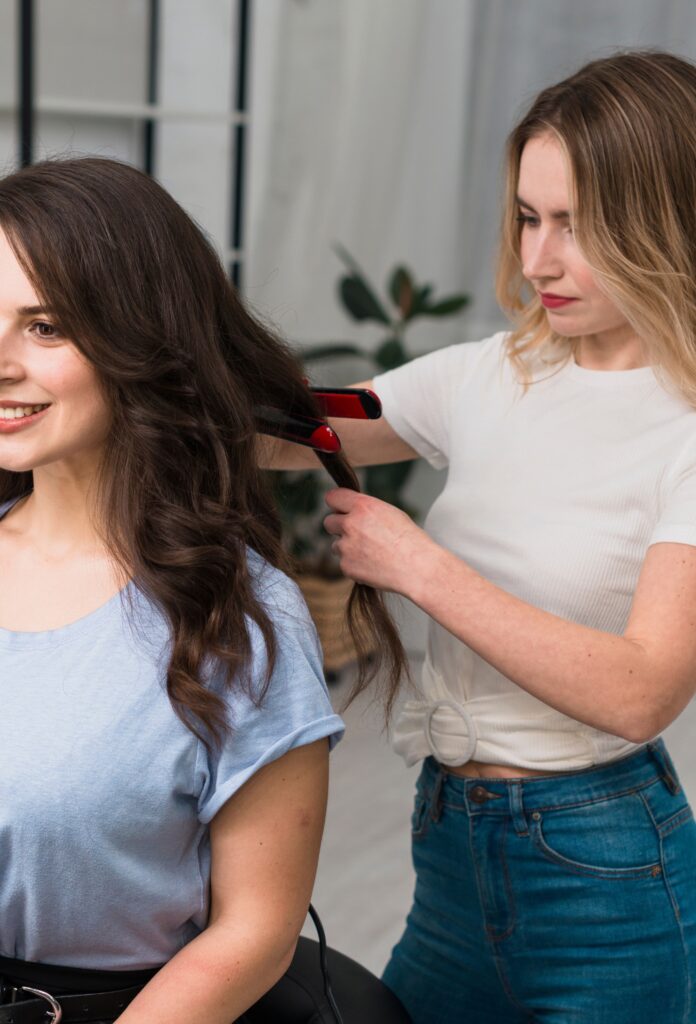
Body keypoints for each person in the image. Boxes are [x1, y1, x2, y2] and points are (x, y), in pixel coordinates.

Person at [265, 49, 696, 1022]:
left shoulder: (685, 430)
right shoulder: (492, 374)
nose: (538, 259)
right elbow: (292, 431)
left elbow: (642, 690)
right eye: (529, 218)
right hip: (454, 848)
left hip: (606, 880)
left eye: (576, 226)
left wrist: (420, 567)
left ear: (664, 220)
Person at [0, 156, 407, 1024]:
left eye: (45, 326)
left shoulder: (239, 616)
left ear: (139, 342)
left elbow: (254, 932)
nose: (1, 361)